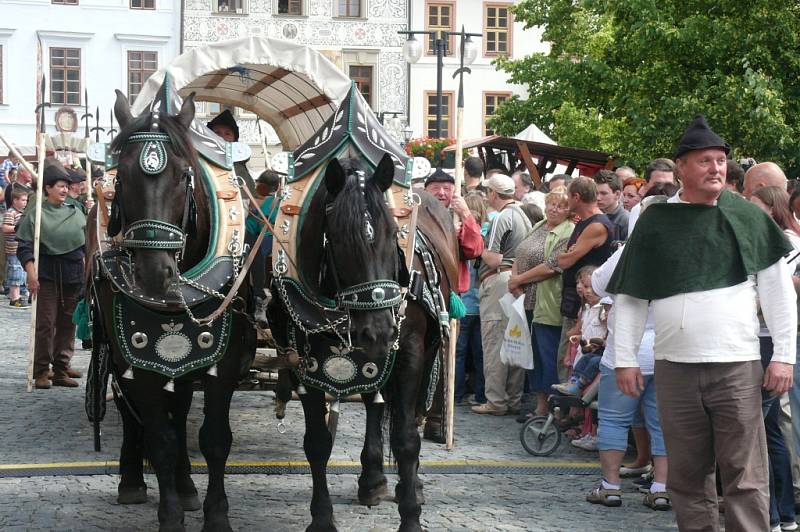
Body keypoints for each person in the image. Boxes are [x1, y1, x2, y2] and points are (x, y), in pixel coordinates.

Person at [608, 115, 797, 531]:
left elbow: (778, 293)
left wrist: (783, 355)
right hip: (675, 366)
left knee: (745, 475)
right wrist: (624, 358)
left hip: (737, 364)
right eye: (705, 161)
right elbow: (632, 296)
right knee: (688, 476)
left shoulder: (747, 218)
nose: (716, 168)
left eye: (720, 160)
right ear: (682, 169)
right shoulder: (655, 222)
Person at [585, 185, 677, 511]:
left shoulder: (630, 251)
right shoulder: (679, 251)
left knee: (613, 420)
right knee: (661, 421)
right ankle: (662, 487)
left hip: (625, 352)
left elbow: (597, 283)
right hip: (666, 351)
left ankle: (610, 486)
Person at [423, 167, 484, 441]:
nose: (442, 192)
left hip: (450, 298)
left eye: (447, 187)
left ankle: (436, 420)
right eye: (436, 187)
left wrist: (466, 215)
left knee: (446, 359)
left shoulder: (457, 220)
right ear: (425, 190)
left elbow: (474, 250)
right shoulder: (415, 215)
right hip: (417, 294)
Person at [17, 158, 87, 389]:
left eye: (67, 186)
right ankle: (40, 370)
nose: (65, 190)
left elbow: (85, 244)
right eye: (60, 186)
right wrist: (30, 272)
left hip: (73, 273)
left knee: (68, 323)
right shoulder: (36, 213)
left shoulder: (76, 211)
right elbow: (25, 246)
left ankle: (61, 369)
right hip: (46, 273)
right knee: (46, 324)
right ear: (47, 188)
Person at [508, 186, 573, 418]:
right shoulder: (539, 225)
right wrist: (515, 279)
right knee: (533, 355)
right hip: (526, 300)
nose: (555, 209)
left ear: (569, 210)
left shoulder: (568, 231)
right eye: (552, 203)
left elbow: (552, 266)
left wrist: (518, 280)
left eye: (561, 205)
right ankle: (540, 406)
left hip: (547, 302)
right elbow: (520, 252)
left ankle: (555, 410)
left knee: (548, 356)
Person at [472, 174, 531, 416]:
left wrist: (479, 246)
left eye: (488, 192)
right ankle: (512, 398)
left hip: (501, 279)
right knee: (514, 340)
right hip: (517, 280)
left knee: (495, 342)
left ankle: (495, 401)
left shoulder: (502, 217)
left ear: (494, 194)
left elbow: (494, 257)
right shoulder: (523, 214)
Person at [554, 177, 614, 381]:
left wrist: (568, 254)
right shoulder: (586, 223)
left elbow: (564, 260)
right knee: (567, 351)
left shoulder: (597, 225)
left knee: (571, 353)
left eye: (568, 196)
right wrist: (567, 254)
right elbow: (565, 256)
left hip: (587, 299)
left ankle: (568, 409)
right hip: (576, 297)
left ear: (576, 197)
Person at [455, 192, 489, 407]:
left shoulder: (463, 234)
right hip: (480, 303)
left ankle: (457, 394)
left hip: (464, 302)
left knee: (459, 353)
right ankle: (480, 394)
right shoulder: (487, 234)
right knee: (479, 353)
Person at [552, 265, 607, 397]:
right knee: (582, 363)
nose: (587, 291)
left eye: (590, 287)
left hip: (597, 351)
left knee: (592, 365)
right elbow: (580, 331)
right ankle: (573, 383)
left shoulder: (604, 310)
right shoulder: (586, 308)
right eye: (584, 286)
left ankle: (578, 384)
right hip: (583, 351)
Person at [626, 158, 677, 235]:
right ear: (645, 184)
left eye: (669, 184)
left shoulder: (683, 209)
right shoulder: (637, 211)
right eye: (657, 184)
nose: (663, 188)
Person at [3, 186, 28, 308]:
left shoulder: (22, 213)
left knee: (22, 272)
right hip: (13, 249)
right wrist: (16, 228)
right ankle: (14, 297)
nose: (25, 203)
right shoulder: (10, 212)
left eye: (26, 200)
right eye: (23, 200)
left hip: (21, 248)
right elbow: (5, 228)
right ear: (15, 200)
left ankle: (21, 294)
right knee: (15, 271)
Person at [593, 169, 629, 243]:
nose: (598, 198)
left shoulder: (625, 220)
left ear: (617, 194)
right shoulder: (592, 215)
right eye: (596, 193)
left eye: (604, 193)